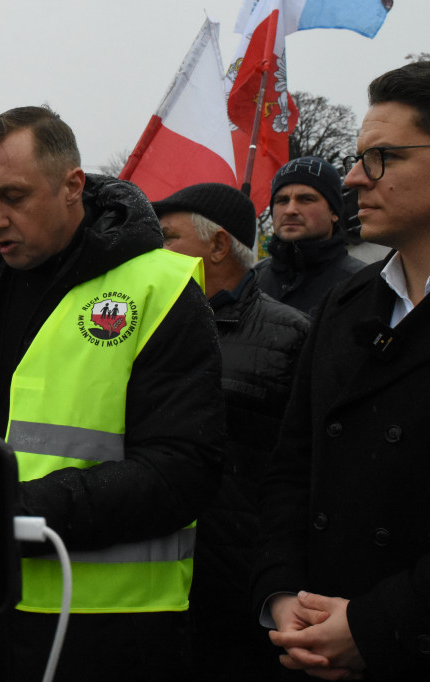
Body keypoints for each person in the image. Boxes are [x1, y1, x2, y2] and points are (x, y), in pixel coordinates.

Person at [0, 106, 224, 680]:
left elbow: (183, 471)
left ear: (72, 186)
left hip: (101, 628)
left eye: (14, 196)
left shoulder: (156, 286)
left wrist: (16, 513)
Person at [254, 60, 430, 681]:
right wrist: (281, 598)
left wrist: (378, 627)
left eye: (381, 157)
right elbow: (291, 466)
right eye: (358, 156)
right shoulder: (346, 303)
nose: (353, 178)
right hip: (312, 642)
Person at [152, 182, 310, 680]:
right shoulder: (147, 325)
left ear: (218, 245)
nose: (156, 252)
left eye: (169, 238)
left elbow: (300, 469)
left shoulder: (292, 336)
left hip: (241, 586)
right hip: (157, 573)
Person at [254, 155, 365, 315]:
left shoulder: (361, 285)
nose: (290, 210)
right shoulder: (250, 282)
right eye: (282, 200)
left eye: (306, 199)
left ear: (334, 212)